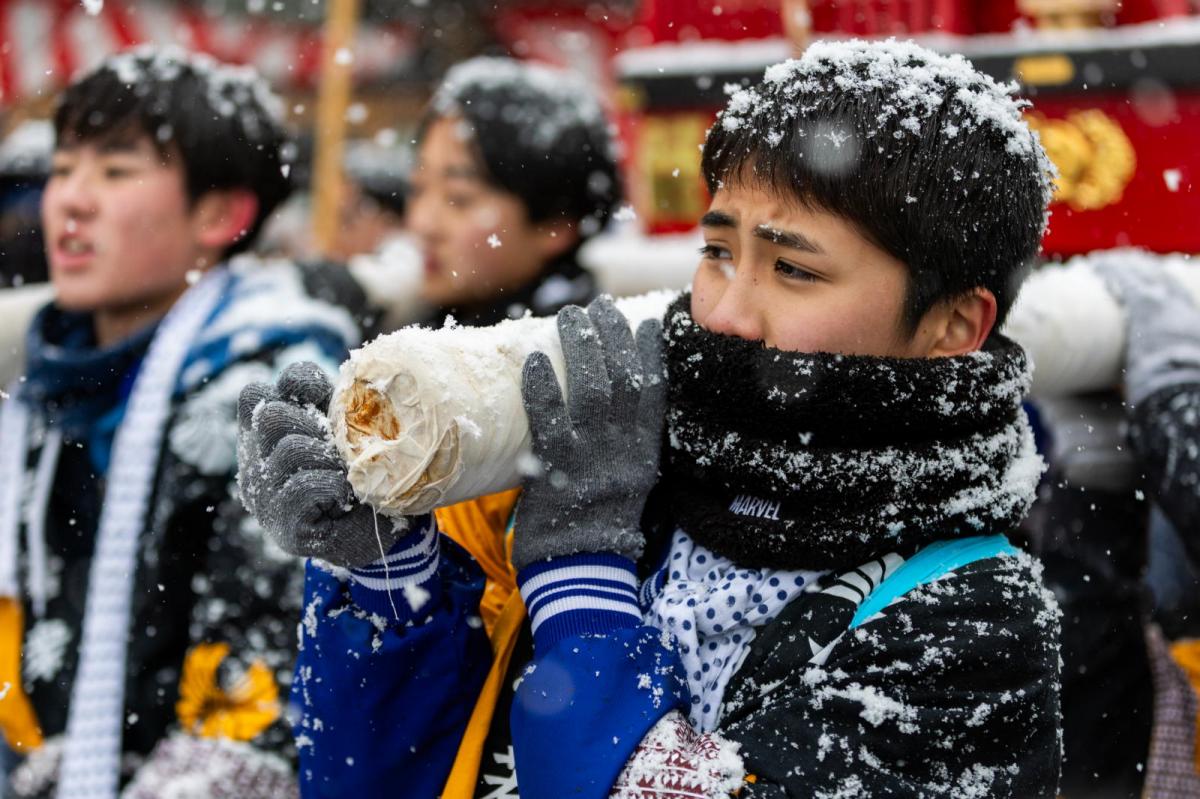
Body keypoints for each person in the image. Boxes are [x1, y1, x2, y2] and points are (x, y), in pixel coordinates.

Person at [239, 40, 1062, 798]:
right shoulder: (615, 465)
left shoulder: (976, 620)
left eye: (795, 270)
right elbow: (377, 779)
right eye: (716, 252)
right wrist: (389, 583)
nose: (727, 311)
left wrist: (584, 588)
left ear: (954, 325)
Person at [0, 46, 363, 799]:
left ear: (220, 214)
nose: (70, 199)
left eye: (115, 170)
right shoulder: (44, 393)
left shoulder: (270, 392)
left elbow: (254, 707)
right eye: (64, 168)